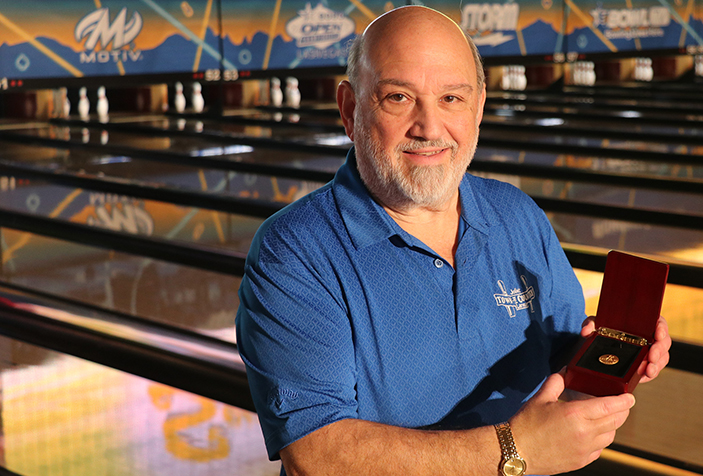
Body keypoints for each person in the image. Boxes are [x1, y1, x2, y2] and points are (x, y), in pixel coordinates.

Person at [236, 6, 671, 476]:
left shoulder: (516, 214)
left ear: (479, 106)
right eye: (398, 97)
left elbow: (563, 379)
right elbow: (316, 455)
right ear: (349, 108)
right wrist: (514, 450)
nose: (429, 127)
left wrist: (611, 365)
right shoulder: (294, 251)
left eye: (451, 98)